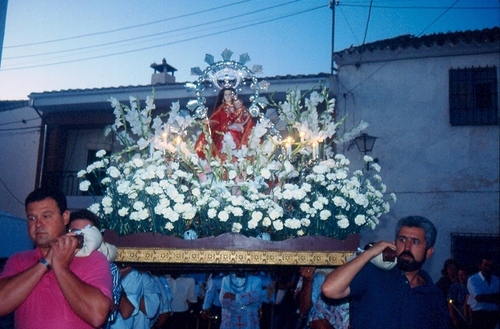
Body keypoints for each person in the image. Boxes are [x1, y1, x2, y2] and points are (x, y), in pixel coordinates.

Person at [0, 187, 113, 328]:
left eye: (46, 216)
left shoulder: (93, 259)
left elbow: (97, 316)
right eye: (32, 218)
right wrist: (45, 263)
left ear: (65, 217)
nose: (38, 224)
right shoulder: (18, 261)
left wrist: (60, 266)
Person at [321, 215, 450, 329]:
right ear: (394, 243)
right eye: (402, 240)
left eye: (415, 242)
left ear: (428, 252)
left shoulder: (434, 295)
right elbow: (329, 289)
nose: (407, 247)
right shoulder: (373, 273)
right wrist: (370, 253)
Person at [68, 209, 123, 329]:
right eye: (76, 232)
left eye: (88, 233)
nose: (81, 238)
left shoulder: (110, 268)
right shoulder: (57, 260)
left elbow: (108, 313)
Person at [195, 87, 254, 160]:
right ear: (223, 96)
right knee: (223, 153)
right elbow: (216, 121)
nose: (228, 96)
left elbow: (245, 117)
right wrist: (209, 122)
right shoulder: (221, 109)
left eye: (229, 94)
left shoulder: (239, 106)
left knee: (237, 153)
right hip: (223, 135)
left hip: (237, 134)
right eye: (225, 94)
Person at [466, 256, 500, 329]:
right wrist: (496, 297)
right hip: (479, 316)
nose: (488, 268)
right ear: (480, 266)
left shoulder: (496, 280)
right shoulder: (473, 279)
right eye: (485, 265)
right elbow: (479, 297)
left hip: (494, 315)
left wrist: (485, 297)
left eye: (490, 266)